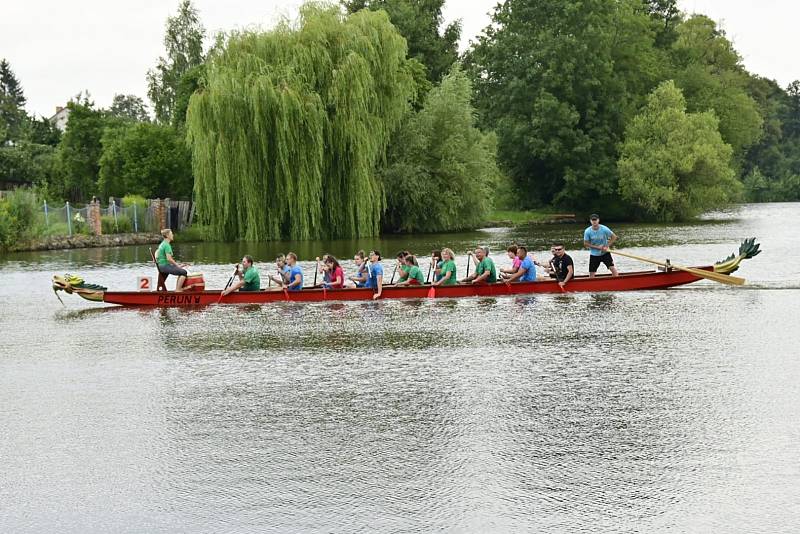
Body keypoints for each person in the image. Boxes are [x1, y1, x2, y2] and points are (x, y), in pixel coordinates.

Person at [583, 213, 619, 277]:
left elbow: (614, 237)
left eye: (595, 220)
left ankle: (617, 282)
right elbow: (586, 244)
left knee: (612, 269)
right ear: (590, 221)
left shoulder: (604, 229)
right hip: (594, 254)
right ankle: (591, 285)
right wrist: (597, 247)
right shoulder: (587, 231)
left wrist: (607, 246)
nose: (594, 221)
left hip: (605, 253)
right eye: (592, 220)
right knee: (591, 273)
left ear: (598, 220)